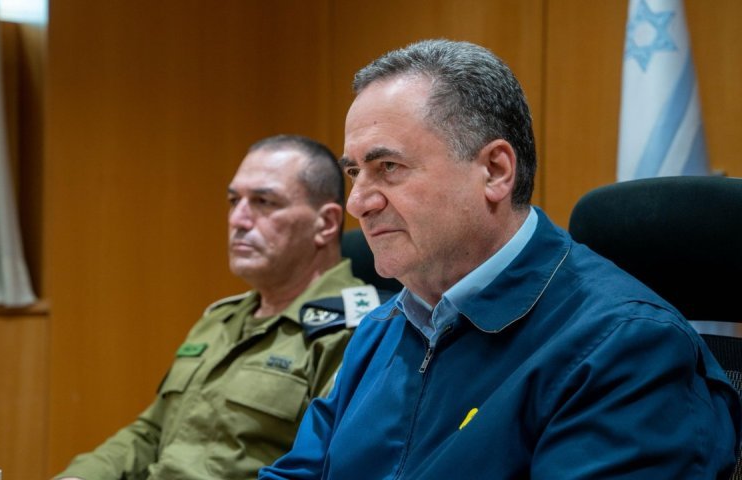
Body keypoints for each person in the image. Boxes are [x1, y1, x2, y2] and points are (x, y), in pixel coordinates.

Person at [259, 39, 741, 479]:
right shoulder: (380, 328)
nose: (358, 203)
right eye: (354, 173)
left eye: (388, 167)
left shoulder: (626, 346)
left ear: (494, 171)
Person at [55, 134, 382, 480]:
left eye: (263, 202)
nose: (238, 219)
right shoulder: (220, 318)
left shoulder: (358, 331)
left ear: (326, 223)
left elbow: (324, 468)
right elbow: (151, 433)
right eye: (233, 200)